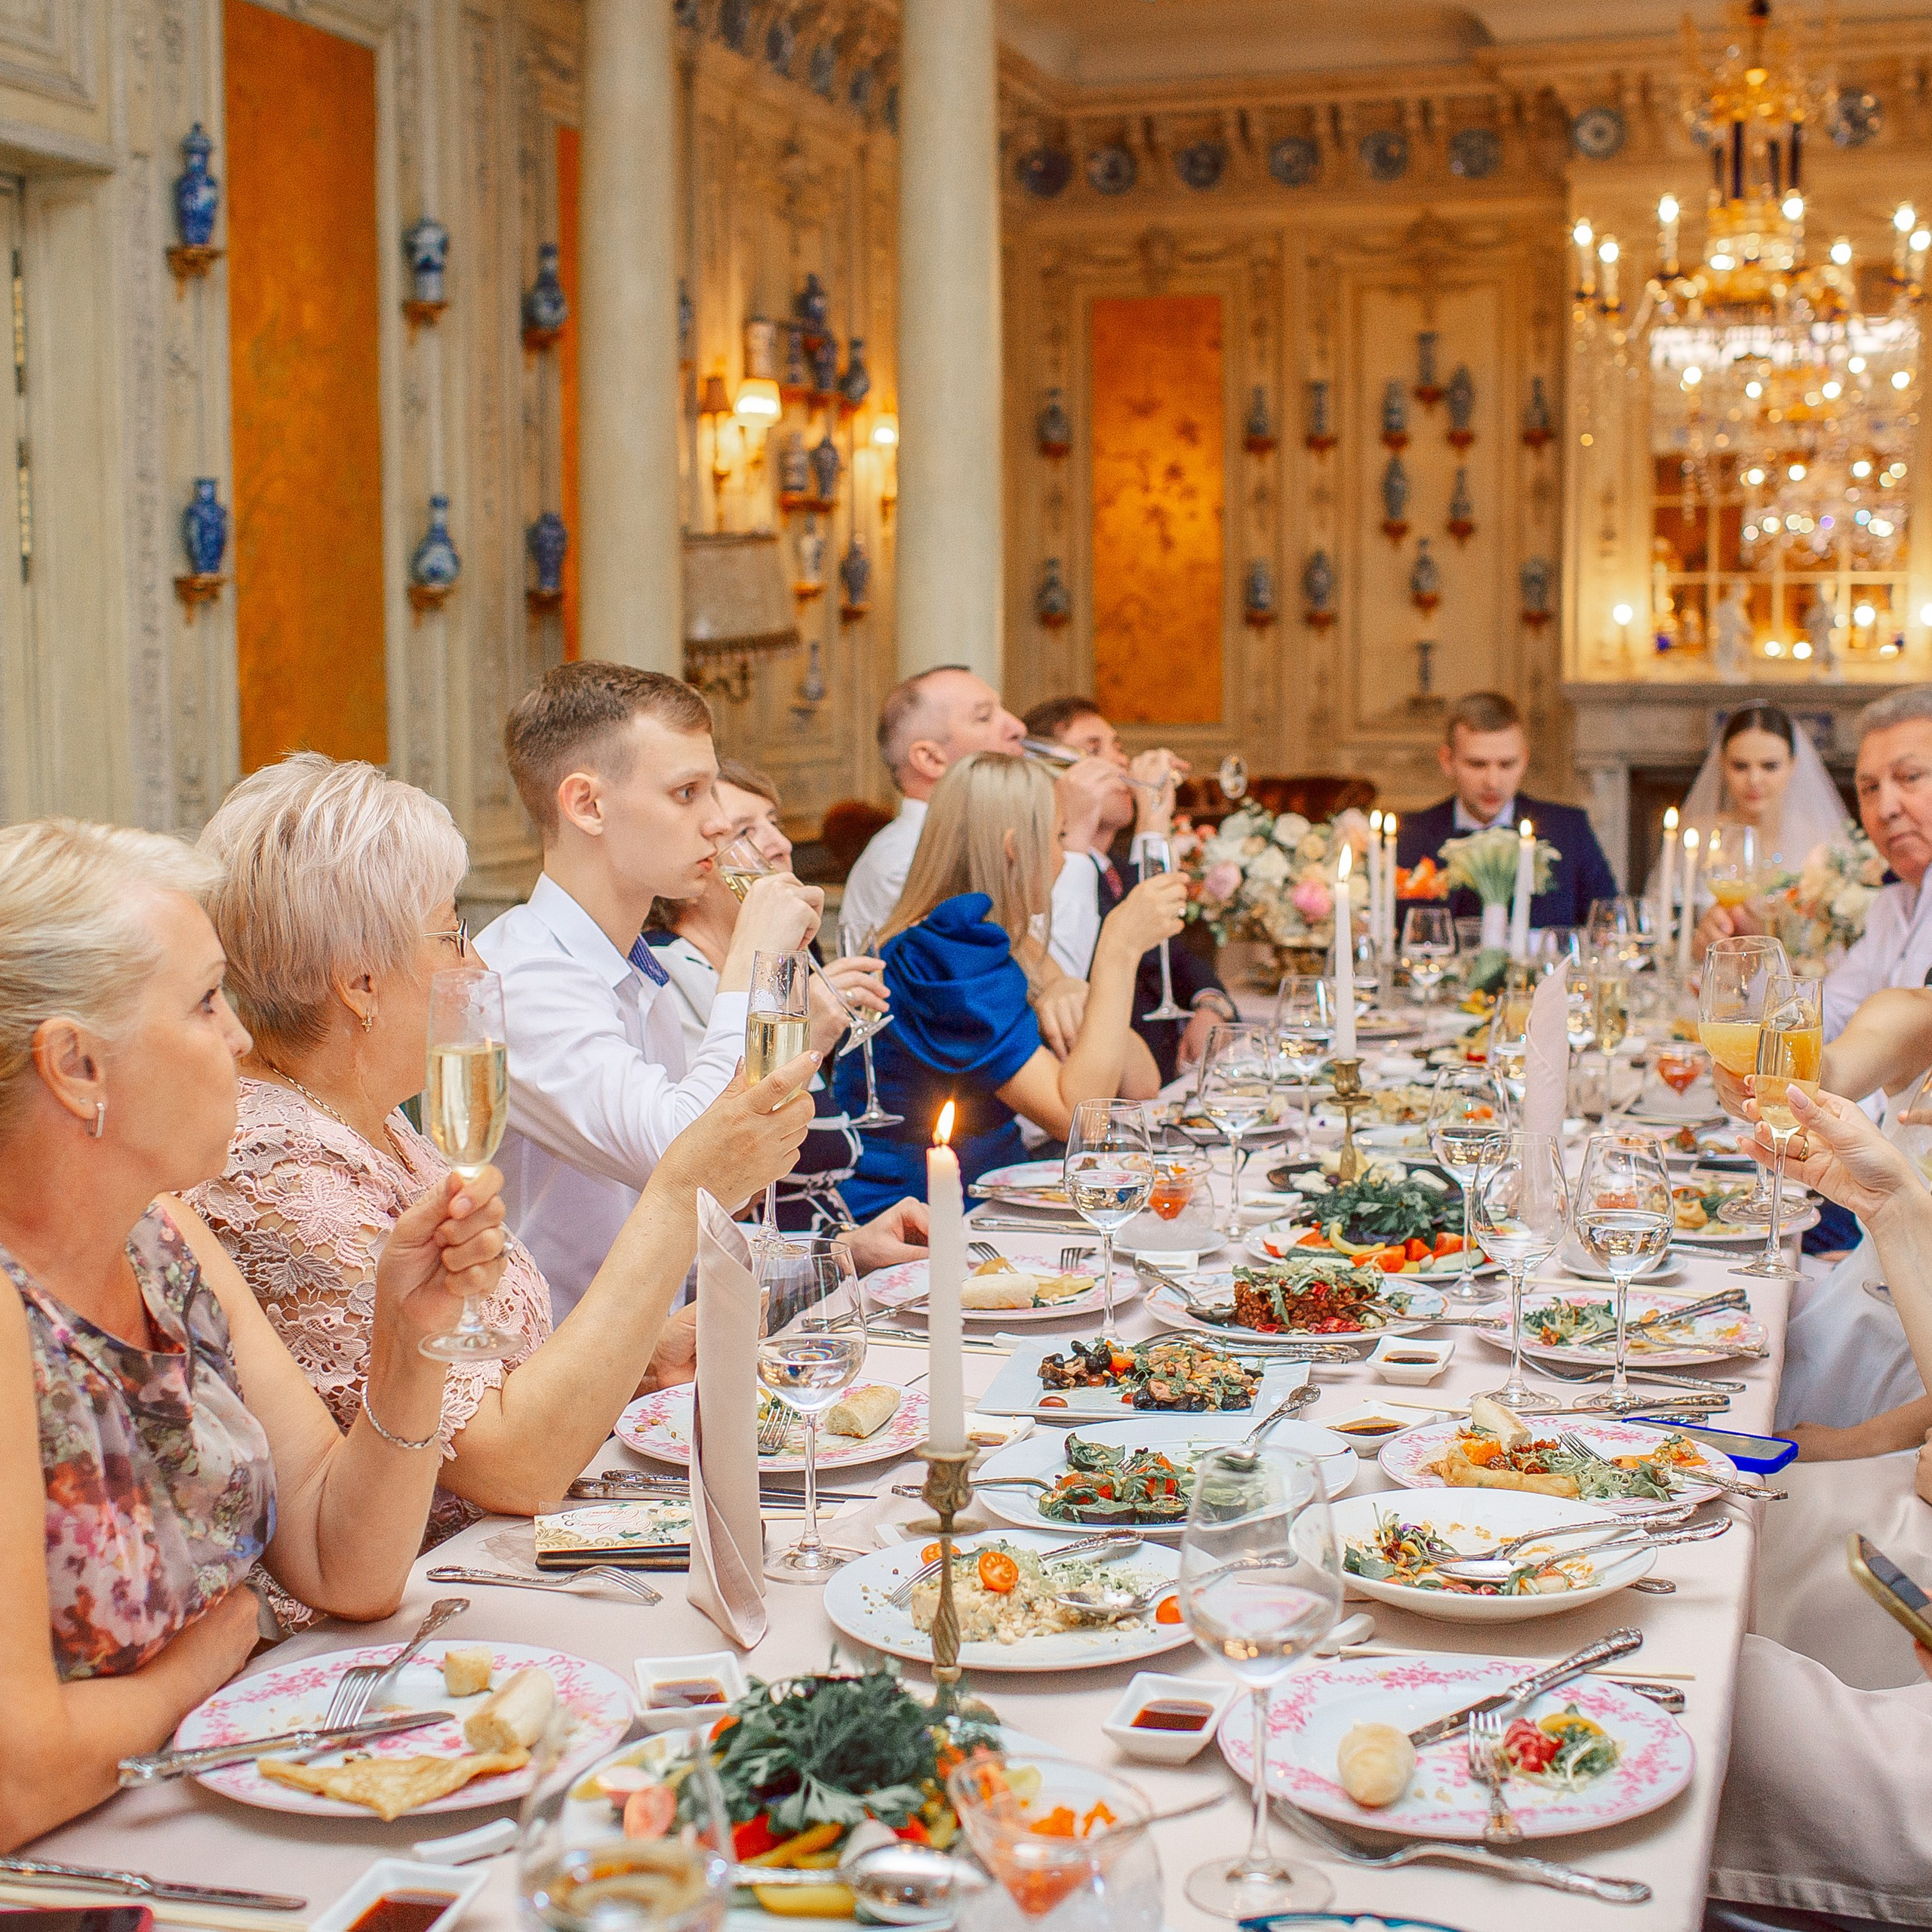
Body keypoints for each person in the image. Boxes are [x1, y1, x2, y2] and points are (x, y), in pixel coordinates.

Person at [0, 819, 500, 1850]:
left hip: (205, 1804)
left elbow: (341, 1562)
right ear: (76, 1067)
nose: (238, 1039)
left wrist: (408, 1344)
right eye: (203, 1002)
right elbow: (20, 1777)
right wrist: (205, 1660)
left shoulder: (163, 1235)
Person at [189, 754, 826, 1539]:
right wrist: (677, 1193)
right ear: (359, 983)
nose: (479, 961)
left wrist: (646, 1355)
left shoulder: (374, 1123)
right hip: (412, 1608)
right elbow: (507, 1465)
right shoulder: (280, 1170)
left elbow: (488, 1379)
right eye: (453, 935)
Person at [475, 663, 824, 1318]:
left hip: (650, 1360)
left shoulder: (637, 972)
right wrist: (755, 959)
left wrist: (843, 1254)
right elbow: (685, 1158)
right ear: (588, 805)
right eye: (688, 792)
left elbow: (723, 1189)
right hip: (546, 1384)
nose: (719, 823)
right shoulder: (517, 977)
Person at [831, 752, 1187, 1220]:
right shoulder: (945, 955)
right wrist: (1117, 949)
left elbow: (1140, 1084)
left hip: (994, 1192)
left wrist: (1079, 992)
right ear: (1015, 848)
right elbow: (1082, 1120)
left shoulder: (1004, 939)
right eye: (1059, 837)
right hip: (922, 1218)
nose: (1064, 856)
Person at [641, 757, 924, 1241]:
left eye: (775, 822)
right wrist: (805, 1037)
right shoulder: (667, 975)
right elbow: (720, 1182)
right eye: (745, 832)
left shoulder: (790, 965)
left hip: (828, 1238)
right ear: (690, 867)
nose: (781, 844)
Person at [839, 666, 1122, 980]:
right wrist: (1078, 835)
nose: (1017, 727)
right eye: (984, 717)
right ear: (931, 759)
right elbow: (1047, 986)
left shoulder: (978, 840)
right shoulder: (906, 858)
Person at [1697, 686, 1932, 1040]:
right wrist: (1755, 958)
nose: (1885, 809)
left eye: (1910, 777)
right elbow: (1830, 1014)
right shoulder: (1891, 906)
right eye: (1868, 788)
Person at [1022, 695, 1235, 1081]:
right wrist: (1152, 820)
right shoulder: (1038, 877)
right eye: (1094, 749)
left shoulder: (1117, 867)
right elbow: (1111, 964)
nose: (1120, 761)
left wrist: (1211, 1003)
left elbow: (1176, 955)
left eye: (1117, 746)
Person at [1395, 691, 1618, 929]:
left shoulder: (1568, 828)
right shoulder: (1409, 835)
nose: (1493, 781)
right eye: (1477, 764)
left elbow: (1607, 921)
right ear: (1447, 761)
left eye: (1507, 764)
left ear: (1524, 760)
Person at [1679, 701, 1850, 872]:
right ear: (1722, 764)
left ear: (1792, 765)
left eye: (1770, 766)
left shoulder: (1823, 842)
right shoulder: (1695, 837)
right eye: (1740, 766)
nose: (1754, 780)